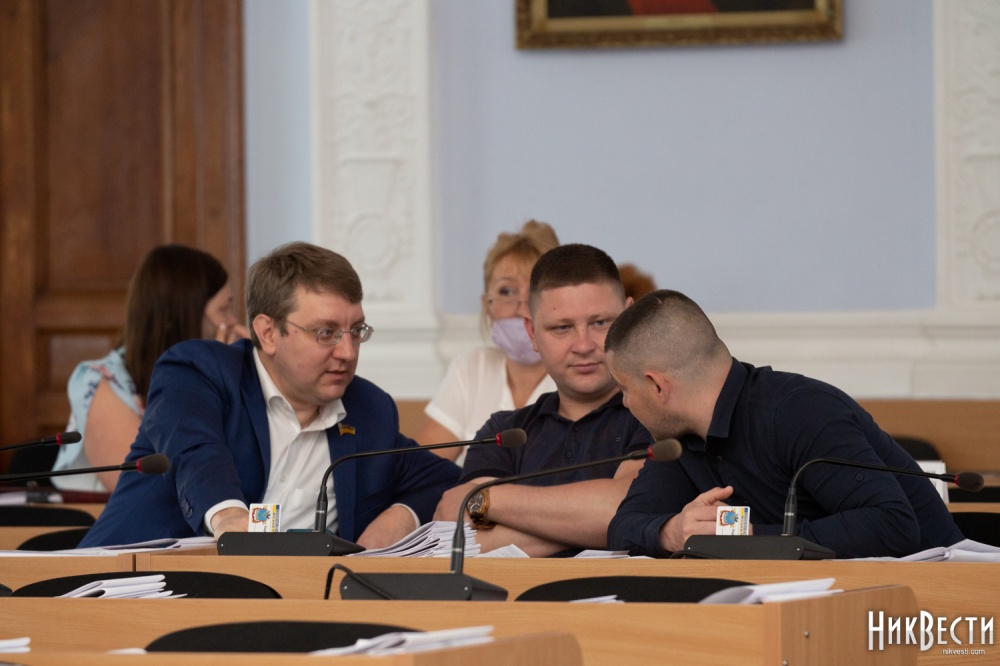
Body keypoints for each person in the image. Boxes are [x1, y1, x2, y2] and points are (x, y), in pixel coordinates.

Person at [79, 242, 459, 548]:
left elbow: (445, 480)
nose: (347, 352)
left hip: (276, 604)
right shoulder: (199, 372)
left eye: (356, 331)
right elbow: (196, 450)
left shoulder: (368, 410)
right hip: (123, 587)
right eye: (326, 333)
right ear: (268, 333)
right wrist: (229, 517)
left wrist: (401, 517)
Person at [604, 289, 965, 559]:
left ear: (657, 386)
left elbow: (892, 525)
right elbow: (623, 527)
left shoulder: (799, 411)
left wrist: (744, 538)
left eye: (625, 389)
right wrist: (671, 532)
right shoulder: (679, 439)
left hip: (926, 604)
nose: (625, 403)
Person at [433, 244, 652, 557]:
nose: (583, 345)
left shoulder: (656, 413)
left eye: (600, 323)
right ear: (532, 331)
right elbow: (461, 539)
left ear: (629, 319)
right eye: (562, 327)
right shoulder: (503, 431)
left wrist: (487, 499)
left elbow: (626, 508)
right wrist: (595, 524)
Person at [52, 244, 250, 493]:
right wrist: (214, 377)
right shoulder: (100, 382)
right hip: (107, 516)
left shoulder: (222, 375)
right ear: (184, 315)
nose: (233, 322)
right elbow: (145, 490)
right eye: (223, 309)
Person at [415, 220, 559, 464]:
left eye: (535, 290)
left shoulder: (581, 375)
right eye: (506, 291)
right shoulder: (472, 367)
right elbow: (422, 468)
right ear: (487, 305)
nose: (521, 306)